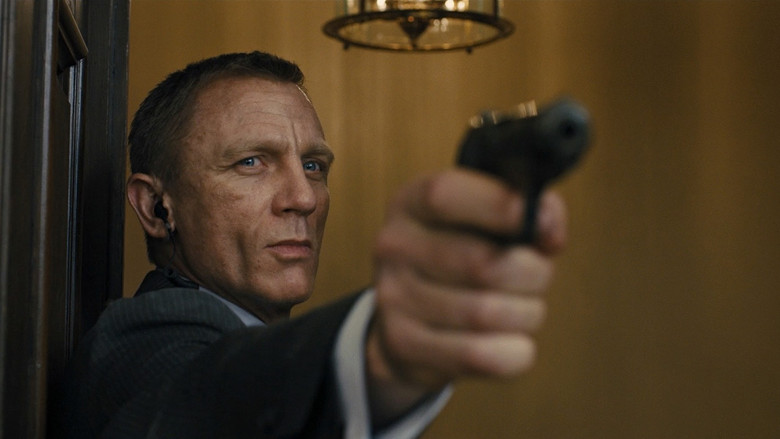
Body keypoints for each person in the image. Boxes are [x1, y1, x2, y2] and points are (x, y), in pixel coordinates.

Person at [60, 51, 567, 438]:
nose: (303, 198)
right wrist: (376, 352)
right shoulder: (137, 344)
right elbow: (212, 401)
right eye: (250, 162)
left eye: (313, 166)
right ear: (156, 207)